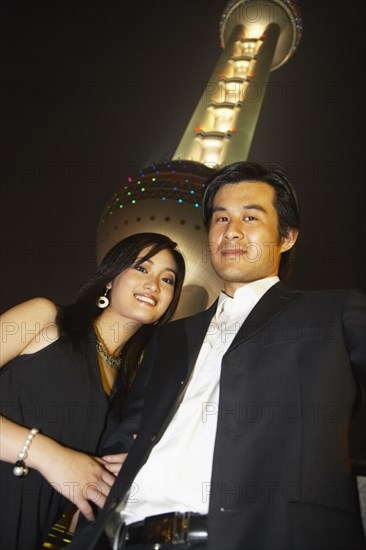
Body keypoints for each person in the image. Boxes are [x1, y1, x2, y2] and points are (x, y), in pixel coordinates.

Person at [71, 162, 366, 550]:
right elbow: (124, 438)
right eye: (220, 218)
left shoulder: (333, 314)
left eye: (250, 216)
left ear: (288, 236)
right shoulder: (170, 338)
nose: (232, 230)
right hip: (128, 537)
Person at [0, 232, 185, 550]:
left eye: (167, 280)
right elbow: (62, 463)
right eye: (142, 268)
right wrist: (48, 455)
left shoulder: (128, 394)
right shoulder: (44, 318)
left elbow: (77, 512)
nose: (154, 285)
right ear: (111, 279)